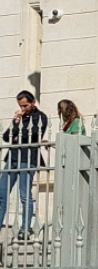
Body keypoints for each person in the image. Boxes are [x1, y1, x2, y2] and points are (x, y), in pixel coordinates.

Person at [0, 89, 46, 236]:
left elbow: (32, 134)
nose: (23, 108)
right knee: (2, 194)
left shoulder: (40, 117)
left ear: (33, 102)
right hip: (13, 158)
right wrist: (16, 122)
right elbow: (6, 137)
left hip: (28, 158)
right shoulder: (19, 118)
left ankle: (25, 228)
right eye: (20, 106)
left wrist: (18, 135)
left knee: (24, 195)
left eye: (25, 105)